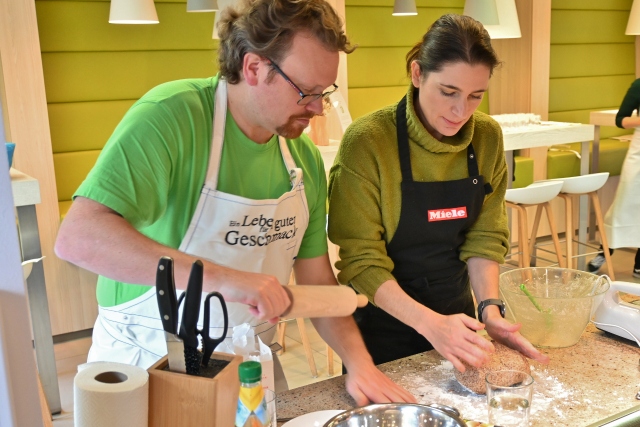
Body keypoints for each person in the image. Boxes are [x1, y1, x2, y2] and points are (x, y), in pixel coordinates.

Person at [54, 0, 415, 404]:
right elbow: (78, 238)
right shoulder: (172, 117)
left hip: (250, 366)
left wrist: (360, 365)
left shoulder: (304, 162)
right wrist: (224, 279)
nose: (317, 108)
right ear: (254, 68)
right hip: (147, 363)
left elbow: (317, 284)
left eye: (323, 93)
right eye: (305, 92)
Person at [327, 14, 550, 371]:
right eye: (448, 92)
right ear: (417, 74)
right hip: (382, 329)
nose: (461, 111)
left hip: (459, 323)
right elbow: (361, 260)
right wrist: (430, 325)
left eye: (476, 96)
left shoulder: (486, 137)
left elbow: (485, 235)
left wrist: (490, 311)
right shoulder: (368, 142)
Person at [587, 79, 640, 278]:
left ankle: (639, 264)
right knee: (623, 205)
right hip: (638, 154)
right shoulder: (638, 86)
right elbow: (621, 120)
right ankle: (604, 253)